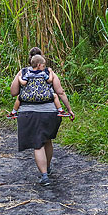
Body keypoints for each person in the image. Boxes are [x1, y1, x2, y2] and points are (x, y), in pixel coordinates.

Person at [10, 47, 74, 186]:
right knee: (47, 140)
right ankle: (48, 168)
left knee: (37, 144)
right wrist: (69, 109)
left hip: (28, 112)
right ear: (41, 60)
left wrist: (20, 79)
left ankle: (44, 175)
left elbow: (14, 92)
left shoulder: (23, 72)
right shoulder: (49, 72)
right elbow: (60, 92)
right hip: (50, 112)